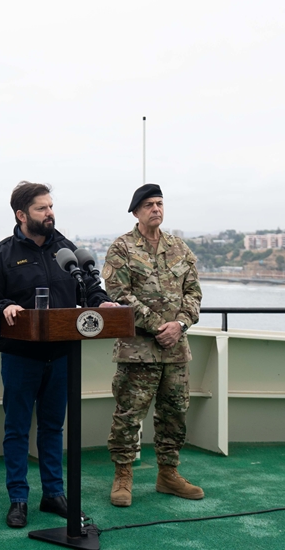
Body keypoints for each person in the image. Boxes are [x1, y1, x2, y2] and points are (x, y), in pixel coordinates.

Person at [0, 181, 118, 528]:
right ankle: (18, 499)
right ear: (22, 215)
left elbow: (89, 290)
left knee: (53, 427)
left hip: (64, 354)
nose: (50, 213)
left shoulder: (67, 251)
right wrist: (4, 307)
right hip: (21, 356)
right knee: (17, 429)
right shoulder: (2, 254)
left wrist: (102, 303)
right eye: (42, 208)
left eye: (51, 206)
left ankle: (53, 494)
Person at [101, 184, 204, 507]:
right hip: (138, 351)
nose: (156, 209)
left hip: (175, 351)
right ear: (136, 211)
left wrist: (181, 324)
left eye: (159, 203)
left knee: (174, 414)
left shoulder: (180, 249)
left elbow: (194, 294)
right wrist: (160, 325)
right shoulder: (122, 248)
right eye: (148, 204)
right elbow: (119, 293)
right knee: (129, 415)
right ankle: (123, 475)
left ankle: (168, 474)